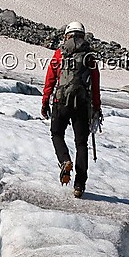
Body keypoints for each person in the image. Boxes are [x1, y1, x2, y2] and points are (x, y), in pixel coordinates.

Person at [41, 21, 102, 197]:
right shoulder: (89, 57)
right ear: (83, 35)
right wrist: (96, 107)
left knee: (57, 134)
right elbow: (95, 85)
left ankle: (65, 161)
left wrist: (45, 102)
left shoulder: (60, 53)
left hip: (61, 102)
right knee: (81, 143)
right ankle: (79, 185)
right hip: (82, 105)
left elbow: (50, 80)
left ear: (66, 34)